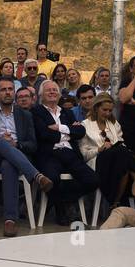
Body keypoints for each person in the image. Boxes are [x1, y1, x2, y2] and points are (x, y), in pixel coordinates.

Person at [0, 75, 49, 237]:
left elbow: (32, 145)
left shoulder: (25, 115)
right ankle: (37, 175)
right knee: (1, 143)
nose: (7, 93)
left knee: (9, 165)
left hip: (16, 159)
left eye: (10, 89)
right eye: (3, 90)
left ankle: (9, 221)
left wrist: (17, 145)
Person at [31, 80, 97, 226]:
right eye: (48, 90)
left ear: (60, 94)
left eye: (55, 90)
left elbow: (80, 131)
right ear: (41, 95)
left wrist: (59, 127)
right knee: (52, 179)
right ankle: (62, 211)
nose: (52, 92)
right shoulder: (36, 111)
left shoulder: (67, 112)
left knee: (92, 180)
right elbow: (43, 134)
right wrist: (68, 132)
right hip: (49, 154)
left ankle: (64, 201)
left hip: (69, 154)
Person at [79, 92, 135, 210]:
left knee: (122, 156)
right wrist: (99, 149)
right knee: (123, 156)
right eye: (104, 110)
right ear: (96, 108)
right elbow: (84, 155)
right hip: (97, 162)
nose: (108, 113)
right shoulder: (85, 125)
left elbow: (122, 144)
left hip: (117, 162)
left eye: (110, 111)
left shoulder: (114, 124)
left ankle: (114, 202)